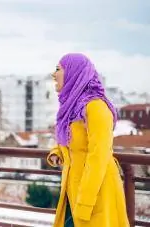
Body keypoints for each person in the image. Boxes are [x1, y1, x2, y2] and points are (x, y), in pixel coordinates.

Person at [47, 53, 129, 227]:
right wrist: (57, 152)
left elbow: (99, 156)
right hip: (72, 190)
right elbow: (72, 140)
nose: (53, 74)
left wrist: (85, 202)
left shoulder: (96, 107)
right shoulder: (70, 107)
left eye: (58, 69)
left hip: (95, 195)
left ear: (74, 72)